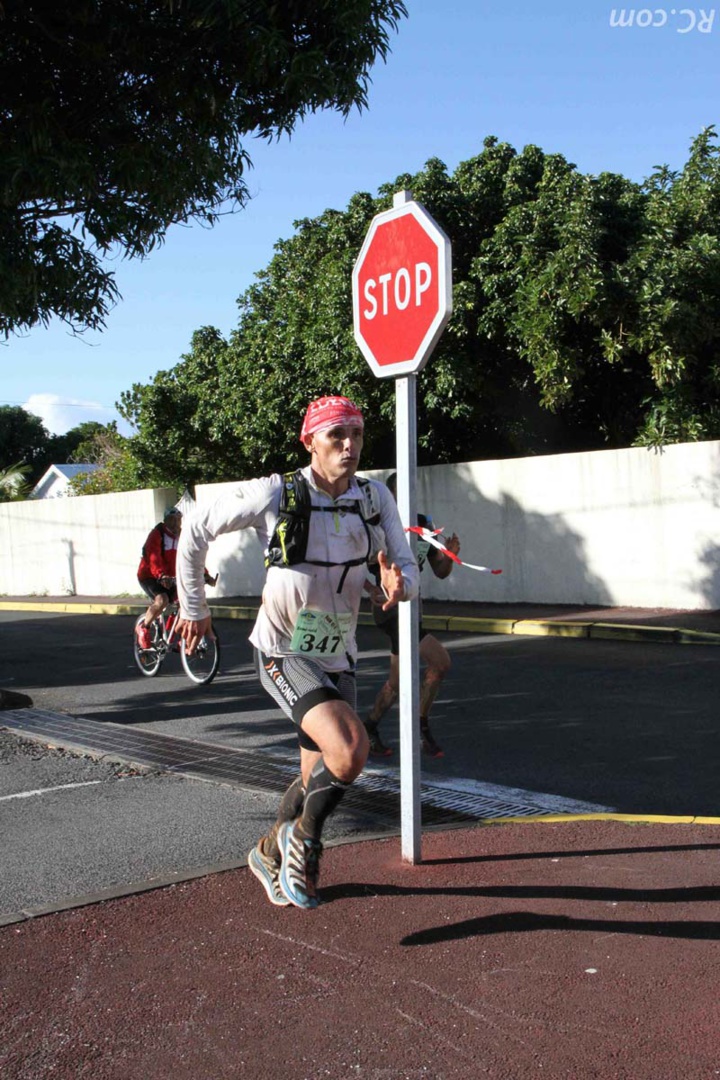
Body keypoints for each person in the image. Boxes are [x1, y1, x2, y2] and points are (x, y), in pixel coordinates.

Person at [175, 395, 419, 910]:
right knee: (351, 749)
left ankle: (268, 850)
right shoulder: (276, 492)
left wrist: (400, 587)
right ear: (310, 442)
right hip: (282, 650)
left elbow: (404, 565)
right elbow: (195, 527)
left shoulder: (375, 498)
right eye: (337, 436)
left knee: (319, 774)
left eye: (356, 434)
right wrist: (195, 606)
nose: (349, 445)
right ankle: (304, 842)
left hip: (337, 649)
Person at [364, 472, 460, 760]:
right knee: (440, 662)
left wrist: (451, 556)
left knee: (396, 681)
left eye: (412, 492)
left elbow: (440, 571)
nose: (408, 498)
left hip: (411, 609)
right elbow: (358, 565)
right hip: (390, 611)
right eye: (402, 493)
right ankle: (421, 730)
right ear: (391, 496)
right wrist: (372, 588)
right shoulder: (378, 525)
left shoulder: (422, 525)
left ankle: (370, 727)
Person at [136, 507, 183, 649]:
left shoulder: (183, 536)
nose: (175, 524)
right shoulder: (157, 535)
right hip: (149, 575)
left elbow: (192, 557)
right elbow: (153, 557)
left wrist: (204, 574)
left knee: (186, 602)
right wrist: (161, 575)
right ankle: (144, 627)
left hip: (170, 578)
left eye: (178, 520)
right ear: (165, 521)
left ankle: (178, 634)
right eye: (172, 520)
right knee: (162, 600)